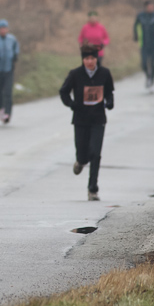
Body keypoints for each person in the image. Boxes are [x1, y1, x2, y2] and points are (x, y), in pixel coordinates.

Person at [59, 43, 114, 201]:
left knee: (95, 153)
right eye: (87, 59)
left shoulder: (104, 73)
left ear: (97, 59)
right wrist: (71, 104)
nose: (90, 61)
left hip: (98, 119)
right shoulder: (75, 74)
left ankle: (93, 189)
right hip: (81, 119)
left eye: (92, 58)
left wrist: (109, 102)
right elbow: (63, 92)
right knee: (83, 153)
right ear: (83, 60)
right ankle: (80, 162)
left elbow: (110, 92)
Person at [133, 0, 154, 89]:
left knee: (153, 63)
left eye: (152, 7)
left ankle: (152, 79)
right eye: (149, 7)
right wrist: (135, 35)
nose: (151, 8)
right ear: (145, 7)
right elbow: (135, 25)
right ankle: (148, 76)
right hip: (144, 44)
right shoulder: (141, 16)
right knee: (144, 64)